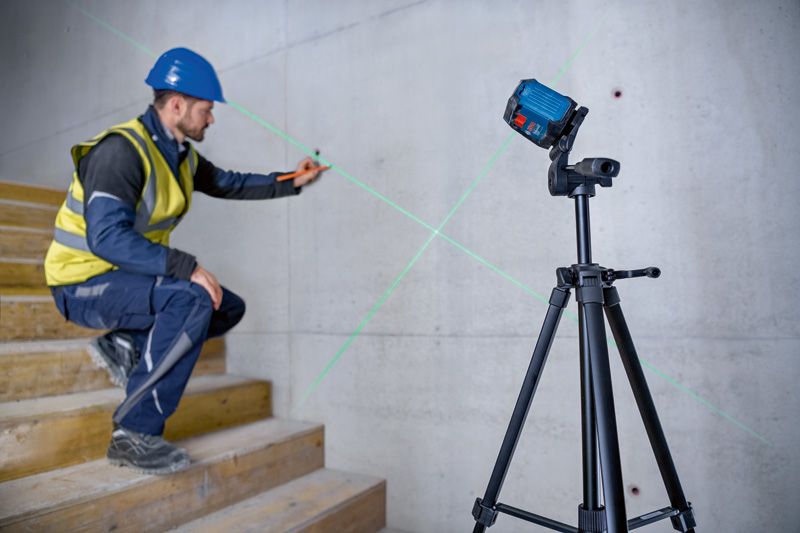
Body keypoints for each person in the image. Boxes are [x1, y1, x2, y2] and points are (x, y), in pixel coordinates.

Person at [43, 47, 327, 475]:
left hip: (124, 279)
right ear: (177, 105)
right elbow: (104, 238)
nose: (211, 119)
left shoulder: (180, 155)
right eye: (206, 110)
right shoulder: (121, 152)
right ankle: (133, 434)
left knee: (224, 306)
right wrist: (185, 265)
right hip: (81, 283)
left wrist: (293, 180)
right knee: (194, 298)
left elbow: (230, 184)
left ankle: (124, 344)